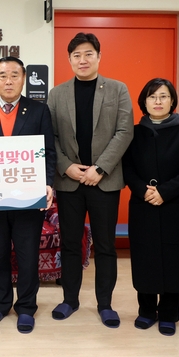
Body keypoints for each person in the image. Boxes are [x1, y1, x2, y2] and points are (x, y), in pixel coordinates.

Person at [47, 32, 133, 327]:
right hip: (69, 181)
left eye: (88, 54)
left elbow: (125, 132)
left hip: (103, 181)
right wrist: (66, 166)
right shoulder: (57, 94)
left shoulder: (117, 89)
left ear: (98, 56)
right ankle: (70, 300)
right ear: (69, 59)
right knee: (71, 243)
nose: (82, 60)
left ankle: (105, 304)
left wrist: (100, 168)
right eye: (76, 55)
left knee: (106, 245)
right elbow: (51, 137)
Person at [0, 56, 56, 334]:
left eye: (15, 75)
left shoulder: (39, 110)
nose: (9, 81)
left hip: (28, 198)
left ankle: (26, 307)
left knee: (28, 255)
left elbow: (49, 152)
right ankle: (0, 304)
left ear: (24, 78)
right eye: (3, 75)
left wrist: (48, 184)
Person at [122, 78, 179, 336]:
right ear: (144, 102)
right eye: (152, 96)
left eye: (163, 96)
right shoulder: (133, 132)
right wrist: (143, 190)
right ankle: (146, 310)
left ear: (172, 101)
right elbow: (126, 167)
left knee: (173, 259)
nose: (158, 101)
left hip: (174, 206)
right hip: (143, 204)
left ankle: (169, 314)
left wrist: (164, 192)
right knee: (144, 258)